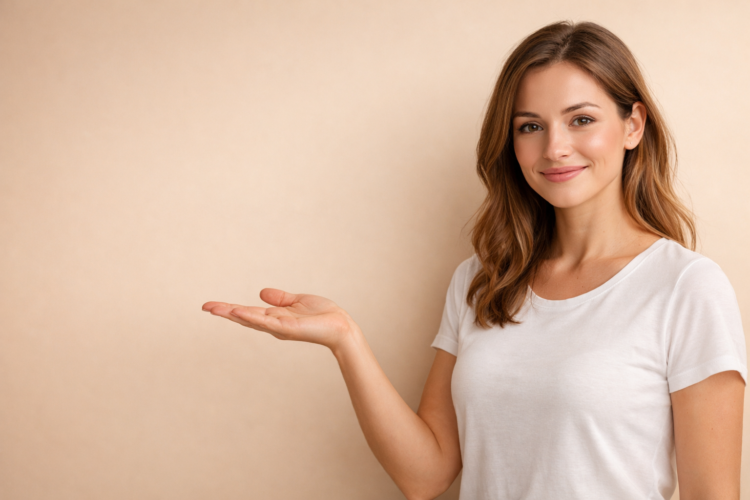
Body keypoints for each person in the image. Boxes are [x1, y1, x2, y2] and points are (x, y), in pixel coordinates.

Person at [202, 20, 747, 500]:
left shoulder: (685, 287)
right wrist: (346, 339)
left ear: (633, 125)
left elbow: (711, 496)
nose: (554, 147)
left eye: (581, 119)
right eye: (530, 126)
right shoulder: (481, 281)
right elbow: (427, 474)